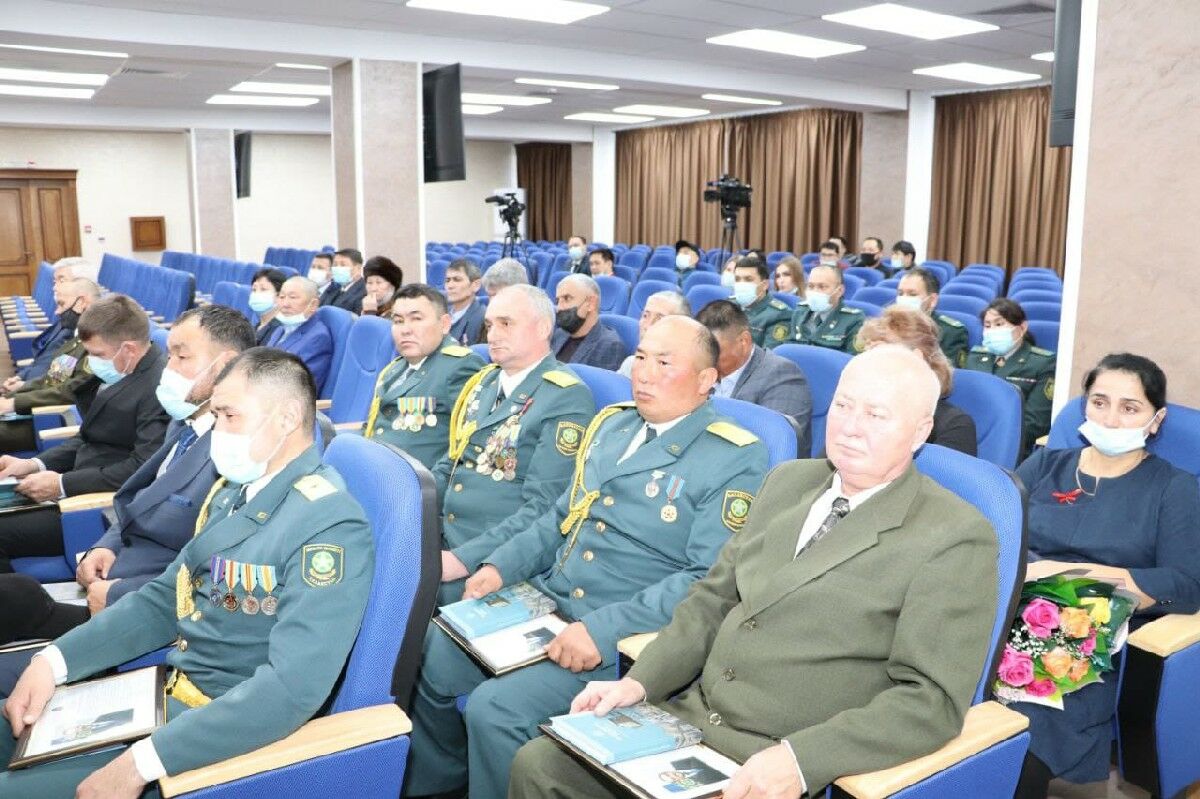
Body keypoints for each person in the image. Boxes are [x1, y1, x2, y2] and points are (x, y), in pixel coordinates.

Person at [509, 345, 1000, 799]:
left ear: (920, 431)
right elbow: (712, 599)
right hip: (693, 719)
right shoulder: (788, 482)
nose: (850, 427)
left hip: (784, 756)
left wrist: (803, 760)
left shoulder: (953, 535)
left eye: (876, 415)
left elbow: (930, 700)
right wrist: (640, 683)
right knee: (541, 766)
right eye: (844, 406)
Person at [402, 316, 769, 799]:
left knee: (497, 710)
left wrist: (604, 630)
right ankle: (443, 781)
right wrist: (500, 566)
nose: (644, 373)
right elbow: (561, 516)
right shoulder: (615, 424)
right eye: (641, 358)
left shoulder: (733, 455)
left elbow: (705, 580)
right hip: (551, 602)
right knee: (431, 650)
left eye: (664, 363)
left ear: (706, 380)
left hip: (622, 634)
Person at [0, 347, 374, 798]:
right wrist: (54, 661)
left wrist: (143, 764)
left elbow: (292, 687)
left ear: (287, 418)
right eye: (216, 415)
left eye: (230, 416)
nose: (218, 431)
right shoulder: (234, 493)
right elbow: (164, 599)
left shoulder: (327, 524)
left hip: (215, 736)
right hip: (159, 696)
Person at [0, 305, 255, 660]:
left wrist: (120, 592)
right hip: (115, 567)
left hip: (143, 605)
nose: (169, 368)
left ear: (225, 364)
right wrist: (105, 545)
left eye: (181, 357)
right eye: (170, 355)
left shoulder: (237, 453)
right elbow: (139, 499)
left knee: (15, 600)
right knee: (15, 595)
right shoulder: (184, 422)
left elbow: (211, 566)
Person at [1011, 353, 1200, 799]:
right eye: (1099, 402)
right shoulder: (1045, 465)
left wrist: (1071, 575)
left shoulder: (1174, 488)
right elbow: (996, 531)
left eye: (1129, 408)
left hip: (1089, 628)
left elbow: (1185, 585)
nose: (1111, 419)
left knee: (1023, 730)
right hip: (1009, 603)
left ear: (1156, 420)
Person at [434, 284, 595, 604]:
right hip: (443, 534)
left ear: (543, 328)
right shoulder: (484, 382)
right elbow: (450, 464)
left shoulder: (565, 397)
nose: (493, 335)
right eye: (490, 324)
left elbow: (545, 506)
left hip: (496, 557)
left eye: (506, 323)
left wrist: (463, 559)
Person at [0, 294, 169, 518]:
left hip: (98, 505)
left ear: (128, 349)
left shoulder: (159, 387)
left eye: (97, 354)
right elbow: (87, 435)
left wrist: (62, 484)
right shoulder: (114, 365)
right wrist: (35, 464)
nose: (90, 361)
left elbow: (143, 467)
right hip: (78, 478)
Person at [363, 284, 486, 469]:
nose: (405, 329)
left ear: (444, 324)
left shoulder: (460, 367)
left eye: (416, 319)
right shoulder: (393, 369)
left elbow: (470, 444)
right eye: (398, 321)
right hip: (376, 468)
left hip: (418, 480)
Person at [856, 307, 977, 456]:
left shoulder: (954, 425)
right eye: (866, 353)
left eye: (878, 353)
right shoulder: (855, 407)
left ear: (916, 359)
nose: (865, 362)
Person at [697, 300, 813, 455]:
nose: (706, 359)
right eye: (702, 351)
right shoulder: (701, 369)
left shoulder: (781, 375)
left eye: (715, 351)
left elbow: (773, 448)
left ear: (743, 341)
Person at [0, 277, 101, 454]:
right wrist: (11, 396)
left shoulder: (100, 344)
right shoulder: (77, 340)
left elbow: (71, 392)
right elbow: (53, 379)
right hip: (39, 411)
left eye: (62, 304)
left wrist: (14, 402)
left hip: (56, 421)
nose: (57, 312)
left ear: (81, 302)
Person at [965, 298, 1055, 457]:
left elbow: (1035, 423)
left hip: (1013, 447)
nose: (992, 330)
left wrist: (990, 436)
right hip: (969, 441)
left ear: (1022, 327)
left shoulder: (1043, 364)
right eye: (987, 325)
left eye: (999, 324)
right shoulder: (975, 358)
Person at [12, 258, 96, 382]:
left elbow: (59, 383)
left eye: (61, 281)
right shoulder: (70, 320)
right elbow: (54, 373)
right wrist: (21, 377)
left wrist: (23, 387)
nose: (54, 288)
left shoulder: (86, 335)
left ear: (82, 300)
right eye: (54, 282)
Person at [265, 276, 334, 393]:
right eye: (282, 297)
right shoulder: (280, 329)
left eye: (293, 297)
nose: (285, 304)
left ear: (313, 304)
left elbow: (301, 388)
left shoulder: (318, 337)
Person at [781, 265, 864, 353]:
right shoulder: (800, 311)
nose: (815, 292)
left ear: (839, 291)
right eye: (810, 286)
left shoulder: (853, 320)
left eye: (822, 287)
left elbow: (853, 358)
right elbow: (789, 346)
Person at [895, 267, 969, 366]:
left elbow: (947, 372)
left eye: (912, 294)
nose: (904, 299)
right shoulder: (888, 325)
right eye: (900, 294)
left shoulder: (951, 333)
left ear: (933, 300)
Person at [552, 274, 626, 371]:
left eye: (567, 298)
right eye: (557, 301)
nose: (559, 307)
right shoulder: (559, 334)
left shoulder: (610, 346)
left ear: (591, 303)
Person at [618, 291, 691, 378]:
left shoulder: (685, 377)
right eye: (645, 316)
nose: (648, 326)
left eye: (659, 319)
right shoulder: (630, 365)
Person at [731, 256, 793, 347]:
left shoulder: (780, 315)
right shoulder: (729, 305)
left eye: (748, 279)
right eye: (737, 279)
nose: (741, 284)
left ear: (765, 285)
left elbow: (769, 353)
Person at [446, 259, 486, 346]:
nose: (450, 286)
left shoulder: (482, 318)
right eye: (447, 280)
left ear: (475, 285)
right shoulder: (441, 313)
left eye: (457, 280)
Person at [248, 267, 289, 346]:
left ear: (280, 295)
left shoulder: (281, 331)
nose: (256, 294)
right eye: (254, 289)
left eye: (263, 289)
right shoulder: (255, 328)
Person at [320, 248, 367, 312]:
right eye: (335, 265)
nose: (338, 268)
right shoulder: (334, 288)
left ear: (358, 268)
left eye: (343, 265)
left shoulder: (364, 292)